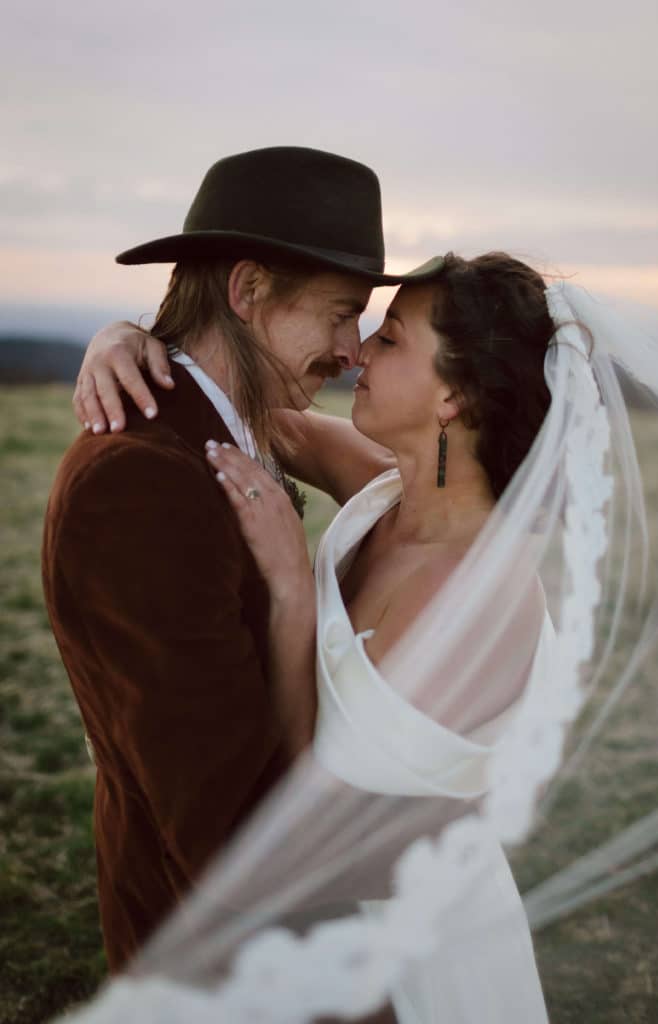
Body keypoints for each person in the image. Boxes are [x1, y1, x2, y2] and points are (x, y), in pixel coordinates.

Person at [42, 145, 443, 975]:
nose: (351, 349)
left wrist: (124, 331)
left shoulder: (232, 422)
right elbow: (221, 822)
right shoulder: (142, 483)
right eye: (339, 313)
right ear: (249, 289)